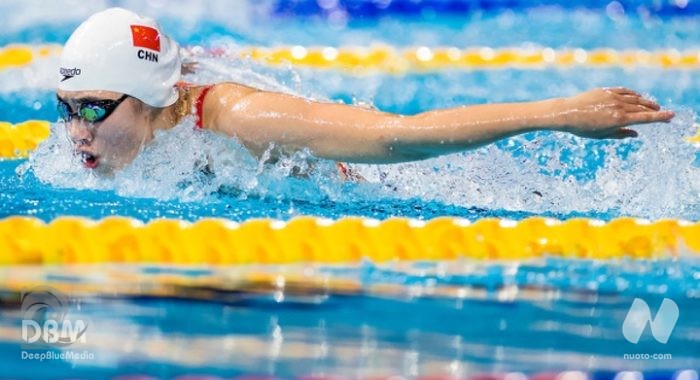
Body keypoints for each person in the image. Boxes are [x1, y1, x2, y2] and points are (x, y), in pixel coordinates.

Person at [57, 8, 675, 177]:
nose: (76, 132)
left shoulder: (240, 116)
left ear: (150, 98)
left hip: (393, 180)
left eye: (92, 110)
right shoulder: (145, 115)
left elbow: (394, 137)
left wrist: (561, 112)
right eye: (66, 111)